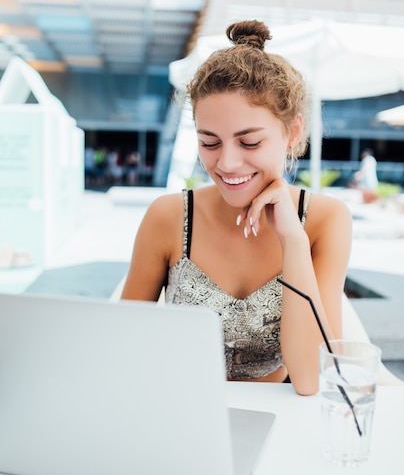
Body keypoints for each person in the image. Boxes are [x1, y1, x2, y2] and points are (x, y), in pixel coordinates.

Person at [121, 20, 352, 396]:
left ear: (292, 133)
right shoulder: (168, 217)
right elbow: (119, 346)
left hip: (276, 421)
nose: (226, 163)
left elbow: (311, 378)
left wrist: (293, 240)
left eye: (248, 143)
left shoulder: (326, 220)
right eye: (210, 143)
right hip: (178, 410)